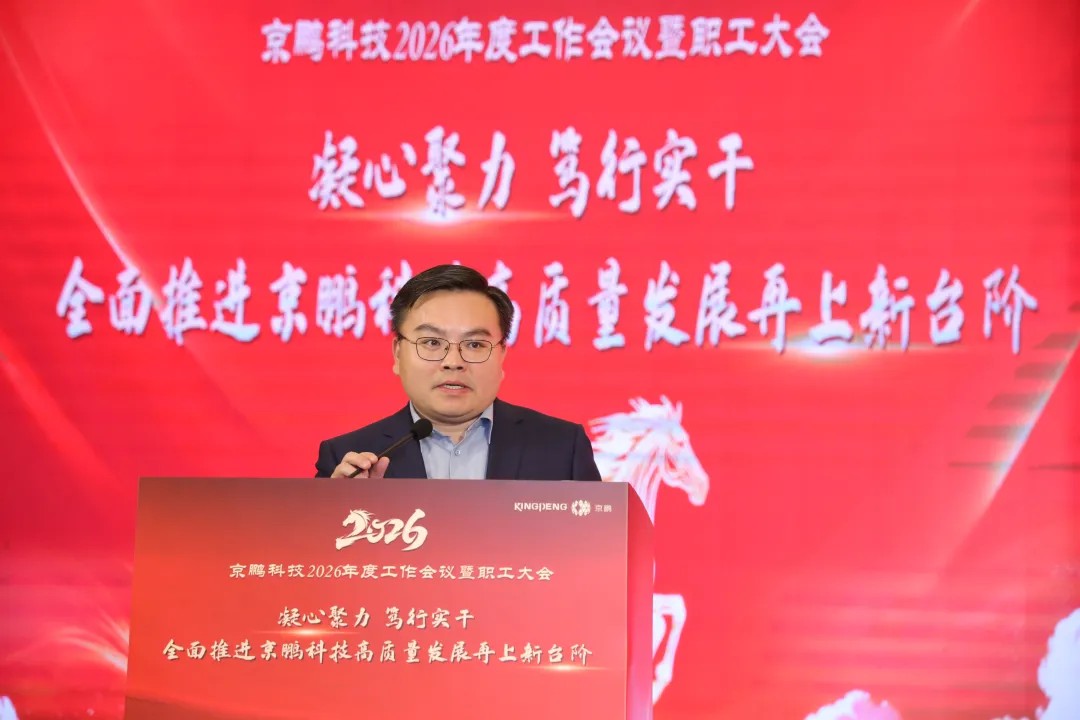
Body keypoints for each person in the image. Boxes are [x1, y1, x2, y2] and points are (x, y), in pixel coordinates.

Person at [315, 264, 601, 481]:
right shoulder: (350, 459)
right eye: (432, 343)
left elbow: (596, 542)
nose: (453, 361)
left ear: (502, 354)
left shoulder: (563, 447)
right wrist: (338, 511)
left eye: (475, 344)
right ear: (398, 354)